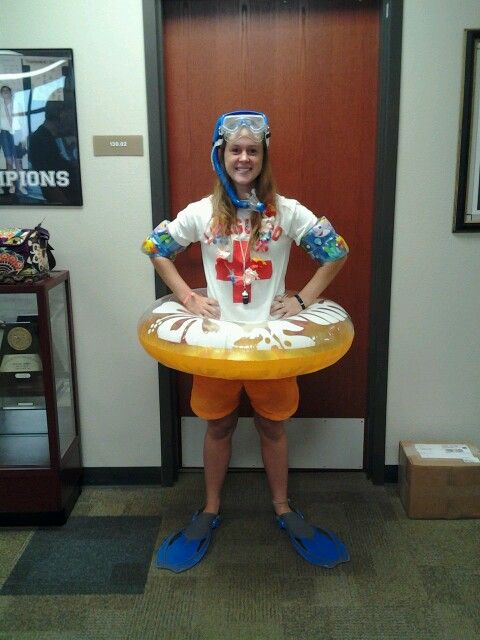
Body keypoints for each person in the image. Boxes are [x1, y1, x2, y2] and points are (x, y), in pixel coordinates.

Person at [142, 110, 350, 572]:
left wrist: (302, 298)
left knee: (273, 427)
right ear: (221, 153)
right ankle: (211, 508)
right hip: (216, 344)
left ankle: (281, 506)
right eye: (235, 149)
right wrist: (185, 296)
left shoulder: (287, 211)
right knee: (217, 426)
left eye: (252, 150)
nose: (243, 158)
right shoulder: (201, 212)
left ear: (263, 156)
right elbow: (155, 247)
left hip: (271, 345)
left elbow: (335, 252)